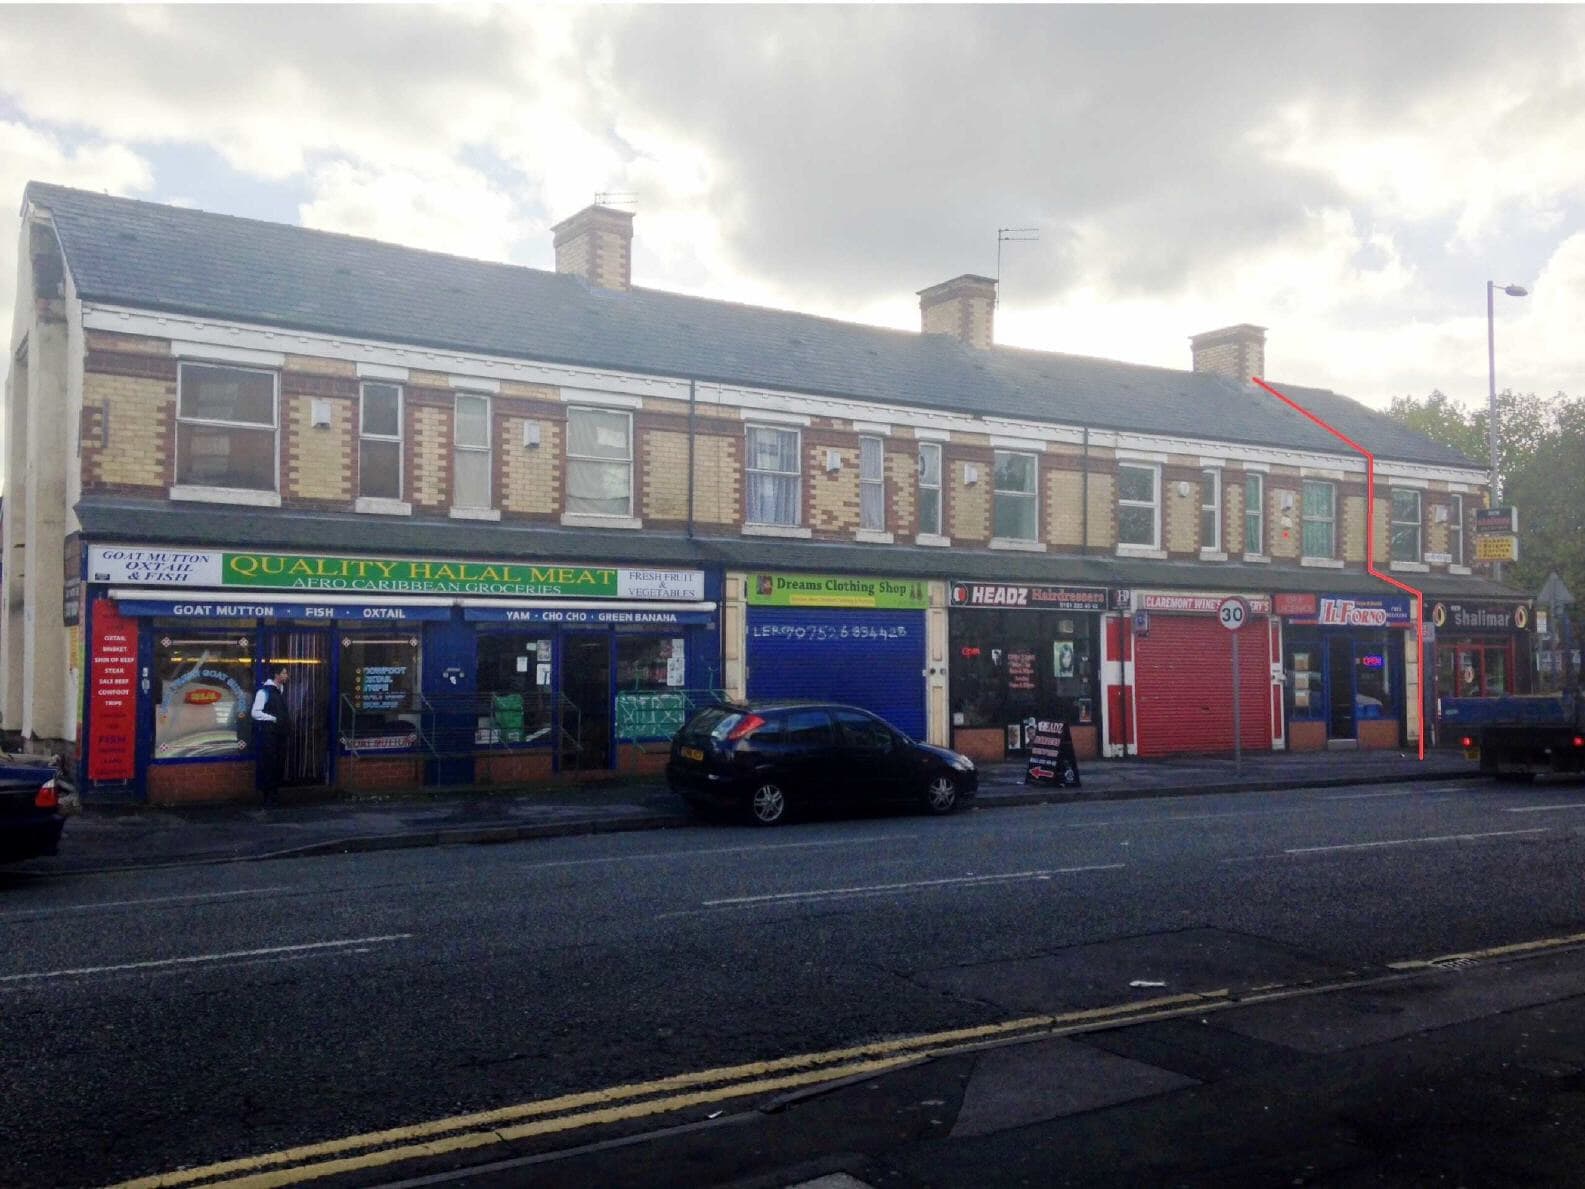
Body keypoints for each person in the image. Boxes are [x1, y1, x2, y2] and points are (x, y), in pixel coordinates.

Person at [252, 664, 292, 802]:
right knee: (269, 762)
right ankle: (268, 793)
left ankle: (274, 791)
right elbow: (255, 713)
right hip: (269, 735)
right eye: (284, 673)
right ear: (276, 675)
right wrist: (273, 718)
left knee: (279, 762)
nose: (286, 676)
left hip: (280, 734)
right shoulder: (264, 692)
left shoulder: (280, 690)